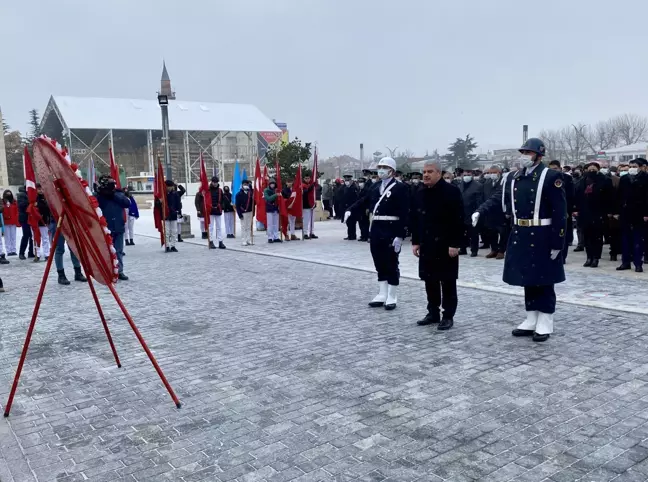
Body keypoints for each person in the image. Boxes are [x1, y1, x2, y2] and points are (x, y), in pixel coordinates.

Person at [502, 138, 567, 342]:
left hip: (543, 233)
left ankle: (545, 320)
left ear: (539, 155)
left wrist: (558, 242)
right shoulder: (516, 177)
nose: (524, 156)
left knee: (545, 279)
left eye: (528, 153)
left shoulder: (551, 176)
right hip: (521, 232)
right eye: (523, 152)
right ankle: (531, 317)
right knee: (527, 278)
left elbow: (560, 212)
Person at [410, 161, 464, 330]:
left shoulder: (451, 192)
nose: (426, 175)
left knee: (447, 281)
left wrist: (455, 244)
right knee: (429, 280)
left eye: (430, 171)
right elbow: (416, 219)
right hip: (427, 245)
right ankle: (432, 312)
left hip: (446, 245)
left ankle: (448, 315)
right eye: (424, 172)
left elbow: (459, 220)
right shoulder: (420, 192)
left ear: (439, 173)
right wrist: (416, 241)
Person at [366, 157, 410, 310]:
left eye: (384, 167)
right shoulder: (375, 186)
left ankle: (392, 294)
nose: (381, 170)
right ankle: (382, 293)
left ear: (392, 170)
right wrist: (351, 209)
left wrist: (400, 235)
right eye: (380, 167)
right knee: (378, 260)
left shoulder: (400, 187)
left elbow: (404, 212)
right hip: (377, 227)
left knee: (391, 262)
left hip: (391, 228)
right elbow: (364, 200)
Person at [573, 162, 613, 268]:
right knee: (587, 237)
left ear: (598, 169)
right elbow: (577, 196)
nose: (591, 171)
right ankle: (589, 257)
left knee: (597, 237)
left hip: (598, 213)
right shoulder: (582, 181)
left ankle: (596, 258)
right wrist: (576, 209)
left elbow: (609, 198)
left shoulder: (605, 181)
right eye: (589, 169)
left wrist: (608, 212)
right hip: (584, 213)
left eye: (594, 169)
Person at [615, 158, 648, 272]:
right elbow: (619, 196)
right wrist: (617, 211)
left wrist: (646, 213)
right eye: (631, 166)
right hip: (625, 212)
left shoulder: (645, 178)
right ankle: (625, 262)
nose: (632, 168)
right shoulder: (624, 179)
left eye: (635, 166)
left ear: (640, 167)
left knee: (638, 239)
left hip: (639, 212)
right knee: (625, 238)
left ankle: (638, 263)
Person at [95, 175, 131, 280]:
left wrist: (113, 194)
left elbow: (127, 203)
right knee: (106, 251)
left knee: (118, 250)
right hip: (106, 229)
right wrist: (100, 192)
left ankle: (119, 271)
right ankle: (108, 271)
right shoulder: (99, 196)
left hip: (118, 227)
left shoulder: (118, 194)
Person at [48, 214, 88, 285]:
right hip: (58, 222)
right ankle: (61, 275)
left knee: (74, 248)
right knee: (59, 250)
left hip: (69, 222)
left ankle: (78, 272)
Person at [549, 160, 575, 263]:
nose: (553, 171)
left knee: (563, 233)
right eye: (551, 169)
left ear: (560, 168)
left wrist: (568, 210)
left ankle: (563, 256)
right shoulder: (547, 179)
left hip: (565, 210)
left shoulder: (567, 178)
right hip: (551, 211)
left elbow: (570, 196)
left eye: (555, 169)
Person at [459, 170, 484, 256]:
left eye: (468, 175)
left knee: (473, 233)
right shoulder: (460, 185)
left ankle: (474, 250)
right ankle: (462, 249)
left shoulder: (478, 186)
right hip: (462, 212)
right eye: (465, 175)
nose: (466, 176)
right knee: (461, 232)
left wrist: (477, 211)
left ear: (472, 175)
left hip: (472, 212)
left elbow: (479, 200)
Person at [33, 184, 51, 262]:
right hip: (36, 221)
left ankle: (47, 254)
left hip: (44, 221)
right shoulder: (34, 199)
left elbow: (49, 209)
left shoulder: (46, 198)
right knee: (36, 238)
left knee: (45, 238)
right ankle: (37, 254)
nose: (40, 190)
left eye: (41, 189)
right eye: (39, 189)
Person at [208, 176, 227, 250]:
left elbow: (222, 200)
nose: (215, 183)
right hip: (210, 210)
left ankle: (220, 241)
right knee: (211, 227)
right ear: (212, 182)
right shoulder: (208, 190)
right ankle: (211, 241)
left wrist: (222, 207)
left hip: (218, 210)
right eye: (214, 182)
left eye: (216, 182)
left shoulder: (220, 190)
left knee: (219, 227)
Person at [163, 180, 182, 252]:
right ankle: (167, 246)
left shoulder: (175, 194)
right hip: (166, 215)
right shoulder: (163, 194)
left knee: (174, 231)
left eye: (170, 186)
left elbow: (178, 204)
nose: (169, 188)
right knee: (167, 232)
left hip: (173, 214)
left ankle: (173, 246)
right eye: (168, 186)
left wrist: (178, 212)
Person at [16, 186, 34, 260]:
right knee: (26, 235)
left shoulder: (30, 193)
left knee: (32, 235)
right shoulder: (21, 194)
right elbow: (21, 205)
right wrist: (30, 201)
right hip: (24, 218)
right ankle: (21, 253)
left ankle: (31, 252)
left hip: (31, 217)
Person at [235, 179, 254, 246]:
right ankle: (244, 240)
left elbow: (253, 203)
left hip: (250, 212)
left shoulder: (250, 193)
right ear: (242, 185)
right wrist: (240, 215)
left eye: (247, 184)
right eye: (244, 184)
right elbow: (237, 206)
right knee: (243, 227)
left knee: (249, 227)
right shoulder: (238, 194)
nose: (246, 186)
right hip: (243, 212)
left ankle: (249, 240)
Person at [341, 174, 359, 240]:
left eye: (348, 180)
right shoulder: (345, 187)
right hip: (346, 207)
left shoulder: (354, 187)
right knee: (348, 222)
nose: (346, 181)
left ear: (351, 180)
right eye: (345, 180)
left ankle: (353, 235)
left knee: (352, 222)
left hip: (352, 207)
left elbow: (356, 198)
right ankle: (350, 235)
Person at [264, 179, 282, 243]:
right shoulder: (266, 190)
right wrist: (275, 195)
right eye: (271, 183)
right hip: (269, 208)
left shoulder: (277, 190)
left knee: (275, 224)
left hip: (276, 208)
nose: (272, 185)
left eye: (273, 183)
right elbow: (268, 199)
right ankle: (270, 237)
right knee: (270, 224)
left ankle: (276, 237)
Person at [2, 190, 18, 257]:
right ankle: (8, 250)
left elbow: (17, 211)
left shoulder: (14, 202)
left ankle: (13, 250)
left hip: (13, 222)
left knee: (13, 237)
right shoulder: (2, 202)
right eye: (7, 194)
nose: (8, 195)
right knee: (7, 237)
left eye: (9, 194)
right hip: (6, 222)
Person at [302, 174, 318, 239]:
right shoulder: (302, 185)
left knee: (312, 220)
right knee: (306, 220)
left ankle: (312, 232)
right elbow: (306, 192)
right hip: (305, 205)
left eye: (308, 178)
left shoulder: (311, 185)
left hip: (311, 204)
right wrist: (312, 186)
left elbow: (313, 194)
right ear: (304, 179)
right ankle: (305, 233)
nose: (307, 179)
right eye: (306, 178)